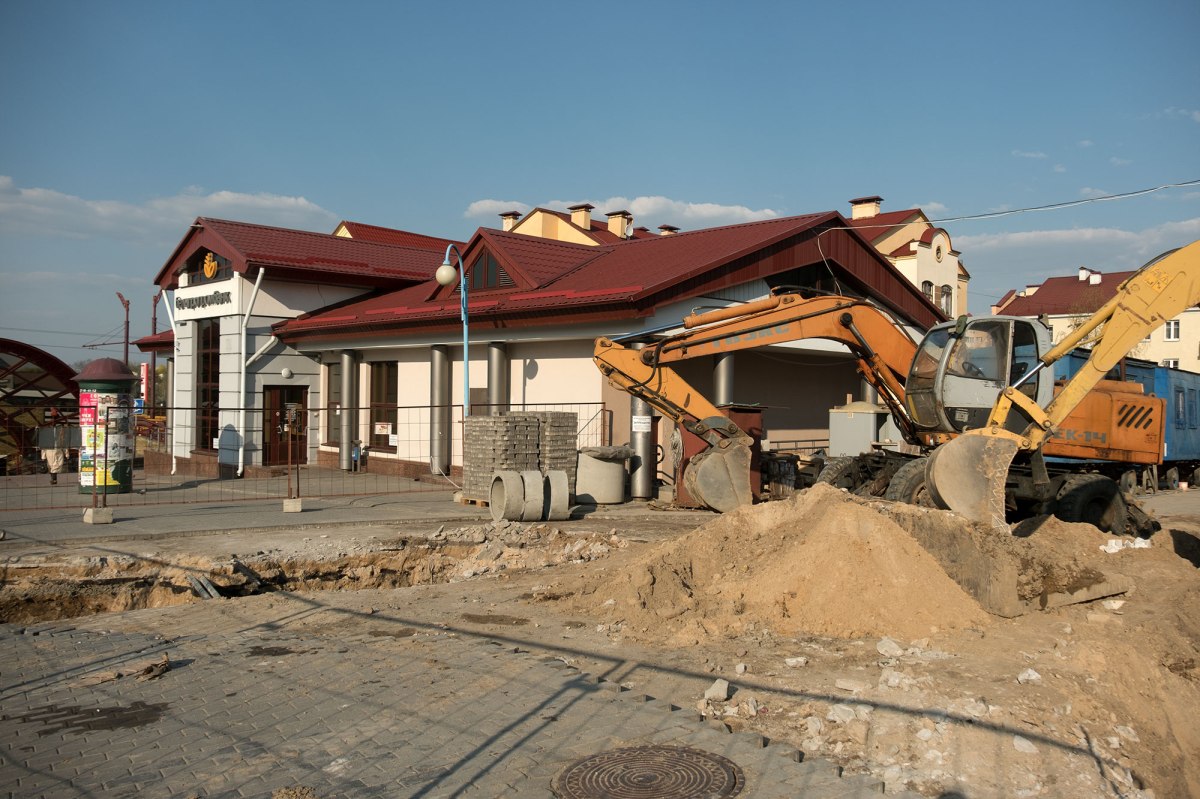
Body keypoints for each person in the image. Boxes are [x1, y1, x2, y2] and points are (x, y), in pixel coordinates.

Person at [42, 408, 69, 485]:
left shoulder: (58, 431)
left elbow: (64, 442)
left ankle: (53, 478)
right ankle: (54, 479)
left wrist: (66, 453)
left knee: (56, 465)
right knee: (53, 465)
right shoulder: (51, 432)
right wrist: (43, 456)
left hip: (55, 450)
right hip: (52, 450)